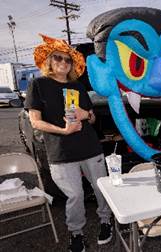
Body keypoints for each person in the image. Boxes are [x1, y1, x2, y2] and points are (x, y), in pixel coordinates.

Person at [24, 34, 113, 252]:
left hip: (90, 147)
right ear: (49, 61)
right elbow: (36, 122)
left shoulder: (77, 86)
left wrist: (86, 115)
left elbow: (92, 117)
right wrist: (63, 130)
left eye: (67, 60)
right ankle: (76, 233)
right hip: (60, 152)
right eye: (58, 58)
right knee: (75, 195)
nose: (63, 63)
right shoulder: (38, 85)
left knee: (101, 188)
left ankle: (105, 221)